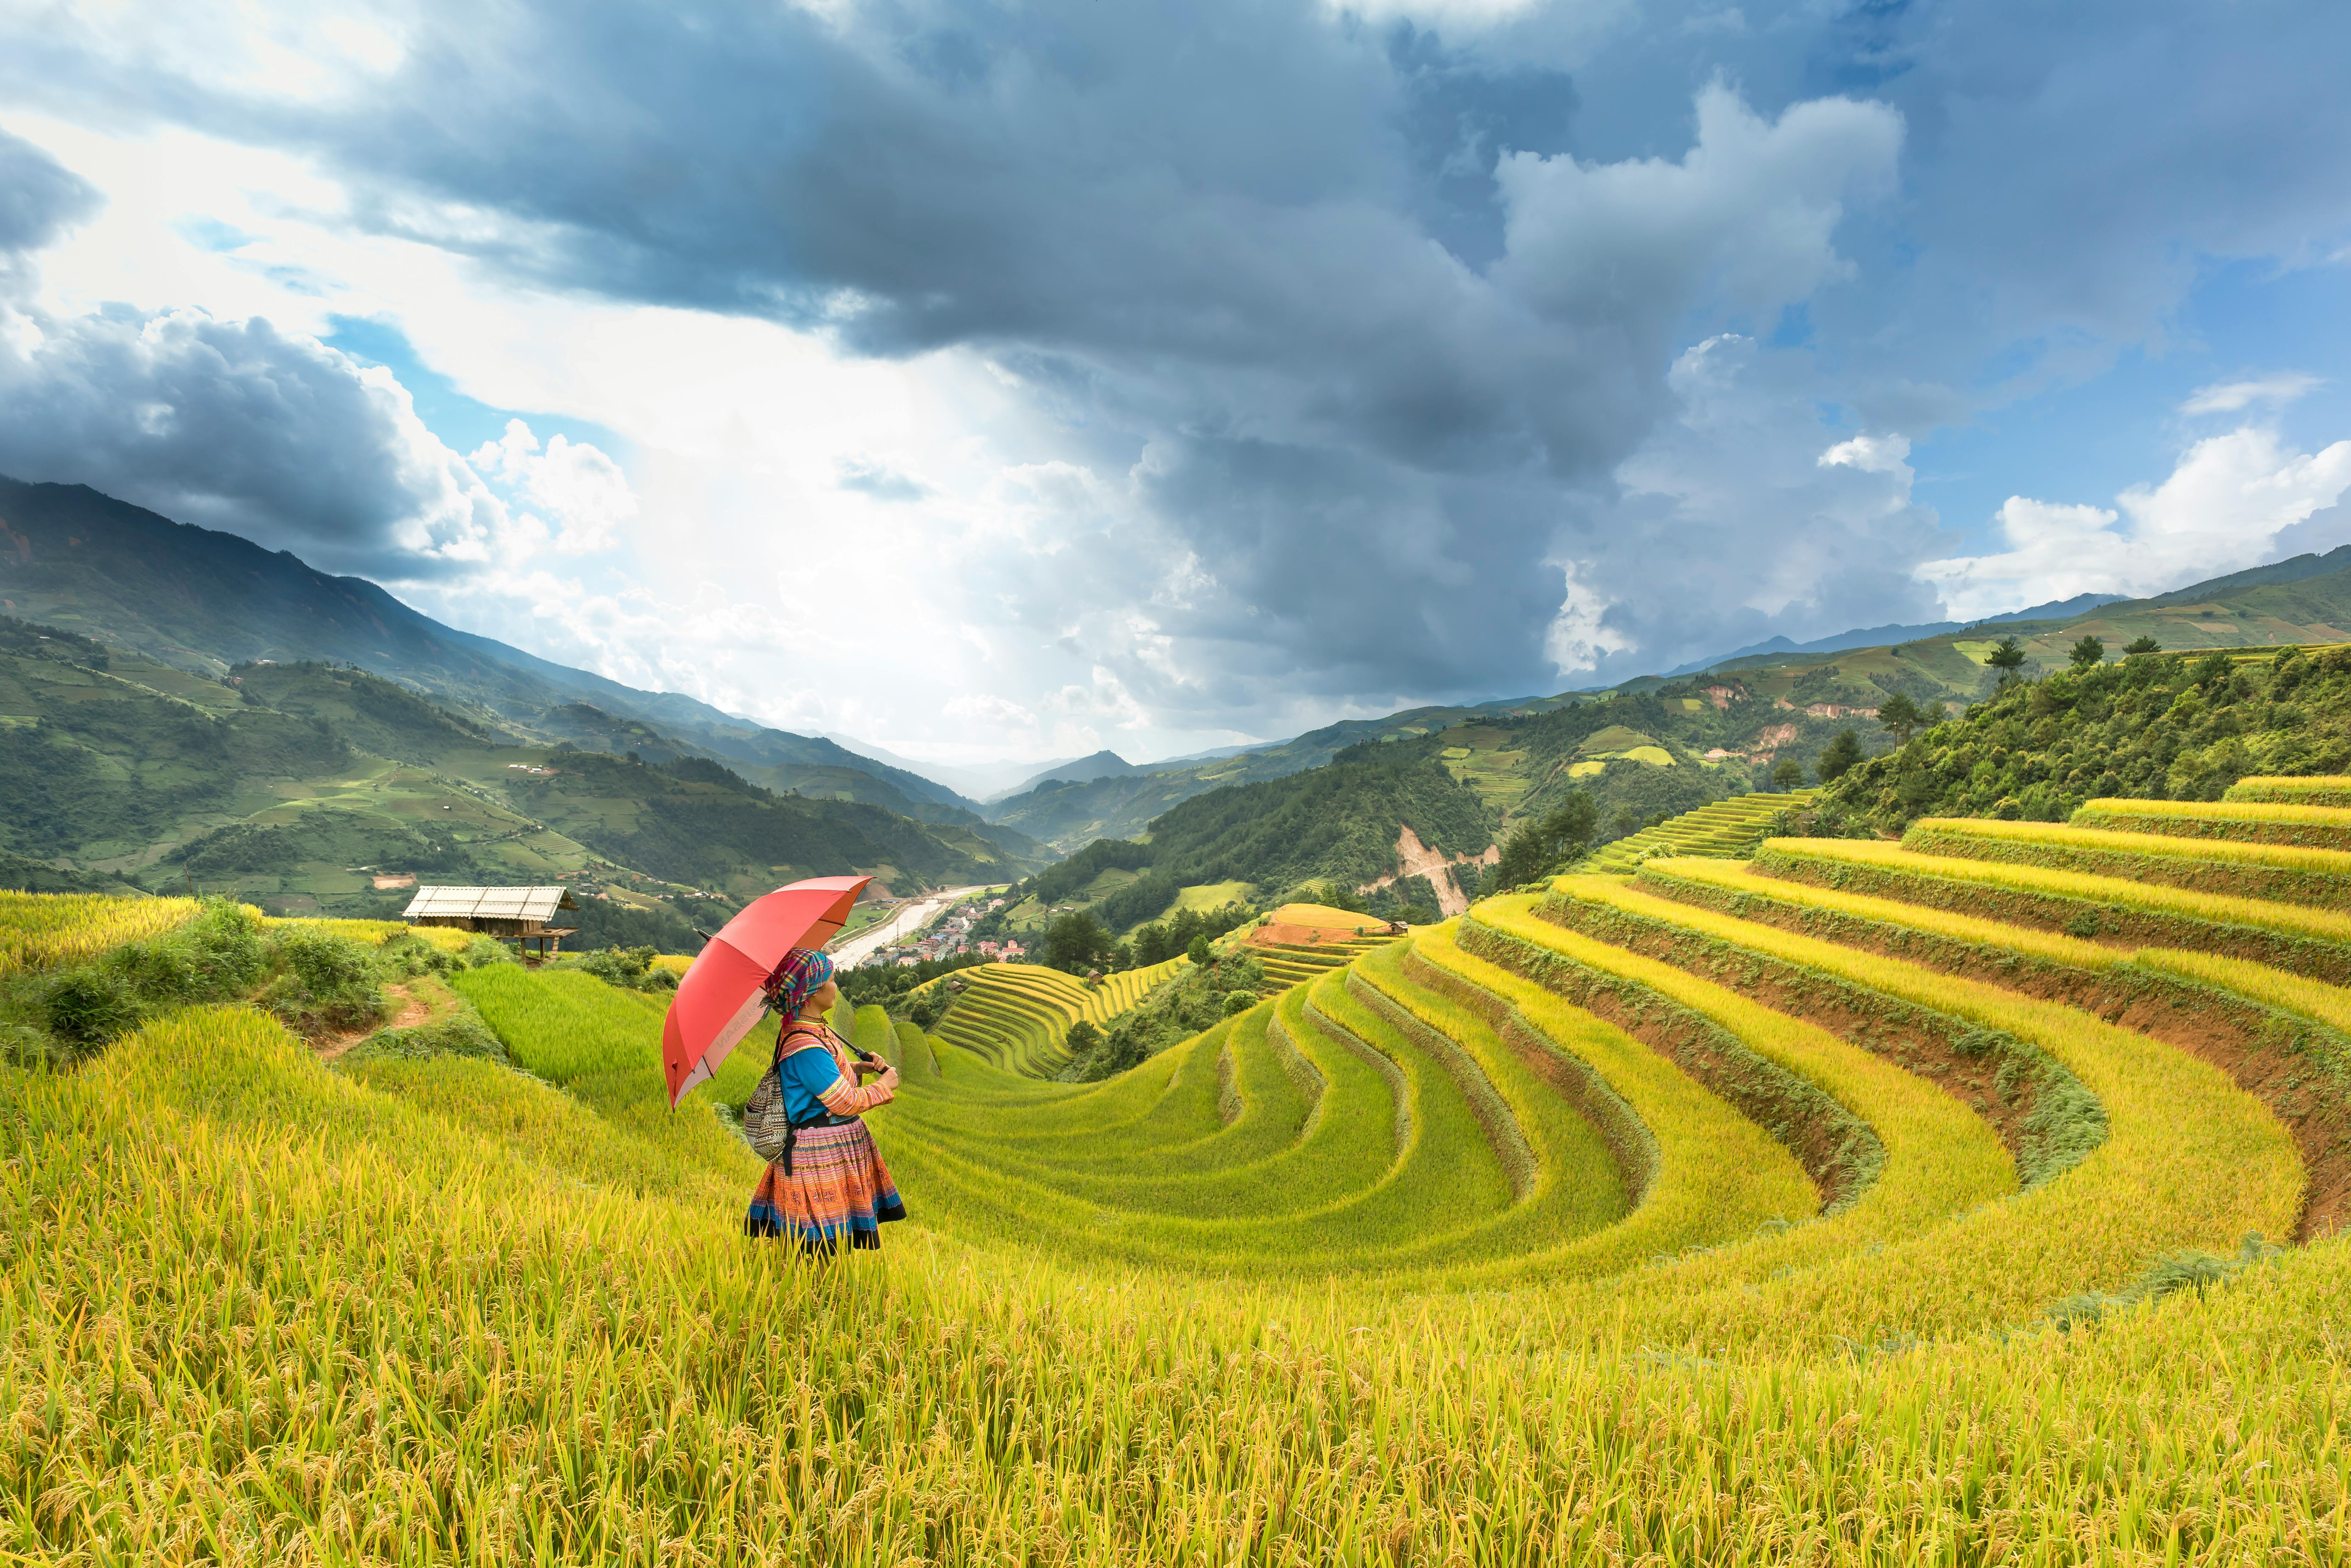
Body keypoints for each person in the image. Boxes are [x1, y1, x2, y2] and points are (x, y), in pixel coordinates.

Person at [742, 947, 906, 1254]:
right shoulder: (805, 1044)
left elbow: (824, 1085)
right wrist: (884, 1085)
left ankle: (825, 1295)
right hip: (817, 1155)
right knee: (820, 1246)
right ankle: (815, 1298)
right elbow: (841, 1102)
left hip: (830, 1148)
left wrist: (857, 1068)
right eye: (830, 979)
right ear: (810, 992)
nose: (835, 986)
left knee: (832, 1240)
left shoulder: (816, 1030)